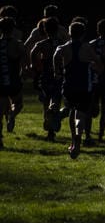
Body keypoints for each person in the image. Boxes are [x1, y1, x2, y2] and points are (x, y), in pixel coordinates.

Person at [53, 20, 103, 158]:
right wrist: (96, 68)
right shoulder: (87, 48)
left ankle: (73, 140)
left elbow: (55, 55)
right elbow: (99, 64)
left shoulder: (63, 48)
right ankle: (78, 139)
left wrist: (57, 71)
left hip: (69, 86)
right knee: (80, 115)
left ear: (69, 33)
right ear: (83, 34)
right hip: (84, 87)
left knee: (71, 111)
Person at [30, 17, 64, 141]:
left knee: (45, 100)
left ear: (45, 30)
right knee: (56, 99)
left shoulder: (42, 44)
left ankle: (48, 123)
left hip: (46, 75)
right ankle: (52, 123)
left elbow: (33, 52)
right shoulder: (62, 44)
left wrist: (34, 65)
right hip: (59, 75)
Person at [0, 16, 29, 148]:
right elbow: (24, 60)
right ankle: (12, 114)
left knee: (0, 110)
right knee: (18, 103)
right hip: (13, 79)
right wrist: (24, 72)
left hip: (1, 81)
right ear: (13, 29)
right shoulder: (17, 44)